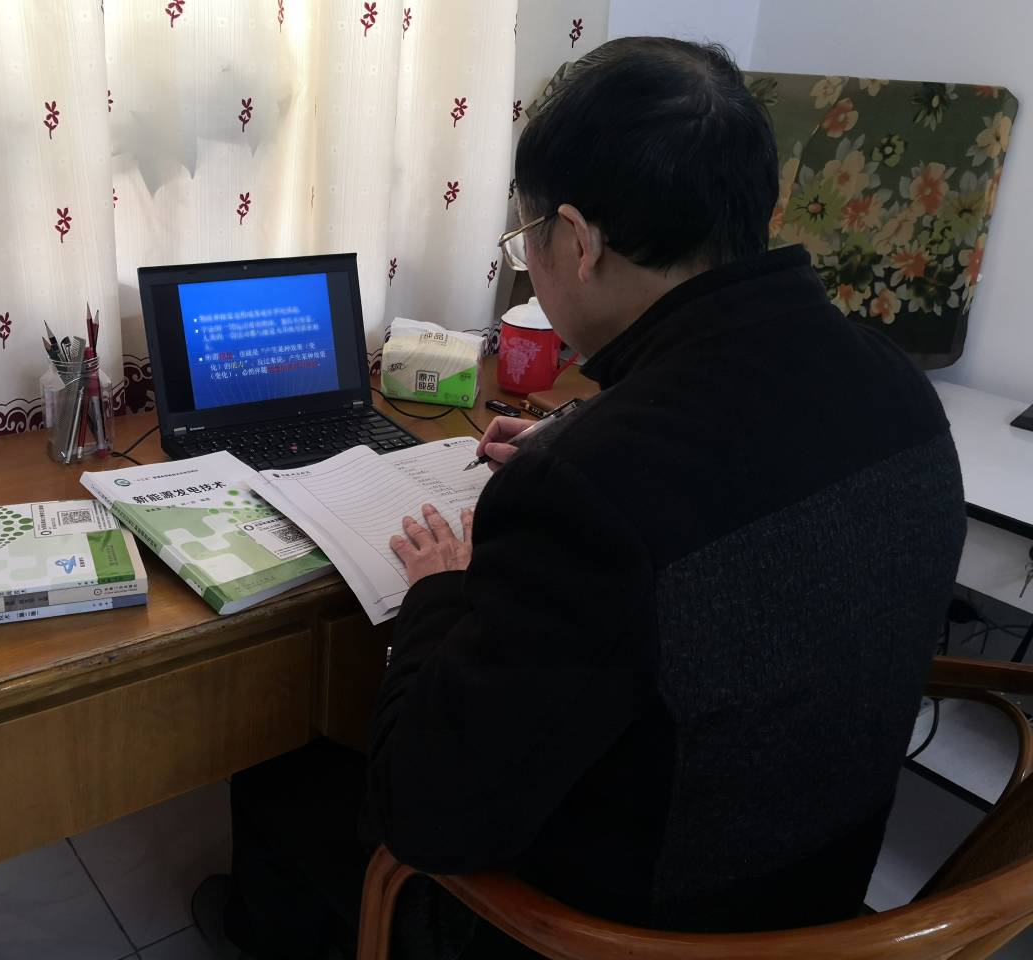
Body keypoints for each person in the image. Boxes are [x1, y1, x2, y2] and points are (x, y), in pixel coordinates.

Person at [194, 36, 967, 960]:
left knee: (281, 778)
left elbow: (424, 815)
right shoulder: (896, 388)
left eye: (524, 240)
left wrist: (440, 590)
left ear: (578, 239)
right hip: (820, 900)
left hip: (621, 936)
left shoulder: (594, 490)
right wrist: (580, 437)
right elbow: (737, 474)